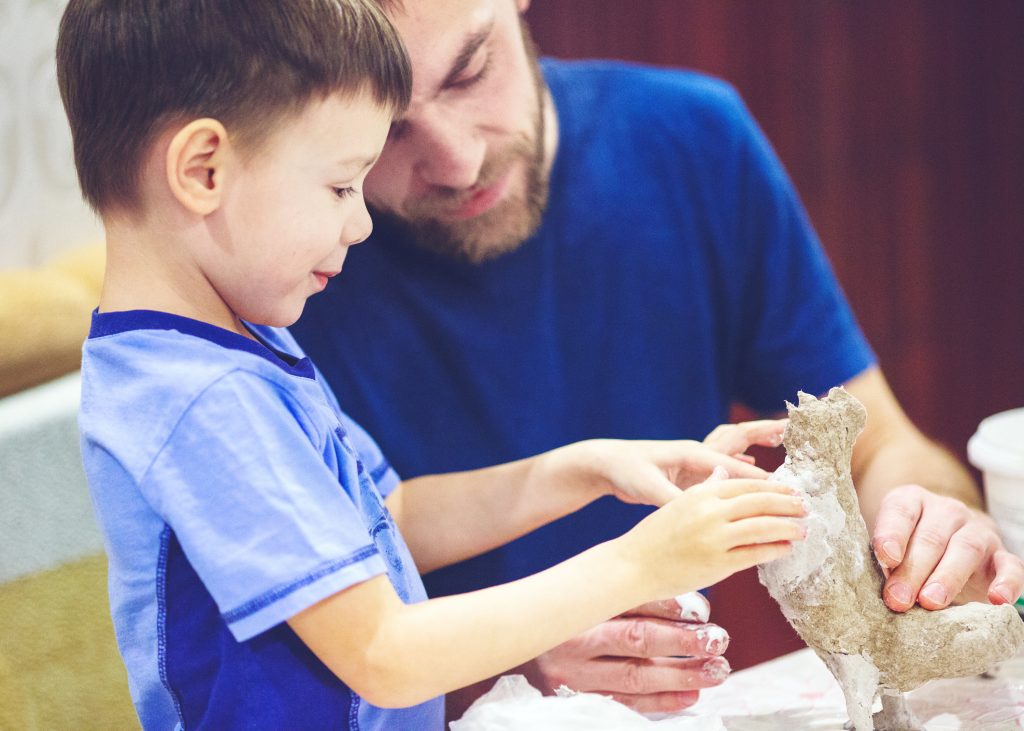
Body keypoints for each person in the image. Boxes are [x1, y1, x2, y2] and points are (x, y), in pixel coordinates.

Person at [58, 1, 809, 727]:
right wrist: (640, 562)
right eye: (340, 185)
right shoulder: (201, 398)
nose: (358, 223)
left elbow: (392, 518)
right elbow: (386, 652)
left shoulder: (233, 346)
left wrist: (585, 470)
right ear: (204, 170)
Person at [289, 0, 1024, 717]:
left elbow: (878, 448)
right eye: (385, 128)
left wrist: (932, 525)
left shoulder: (690, 140)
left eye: (470, 71)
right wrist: (505, 663)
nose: (458, 161)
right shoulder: (280, 271)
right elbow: (277, 643)